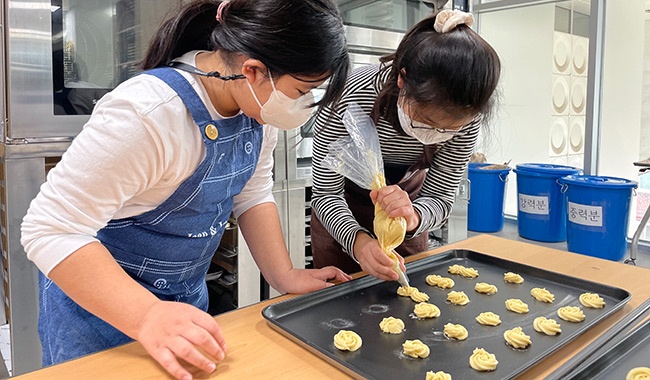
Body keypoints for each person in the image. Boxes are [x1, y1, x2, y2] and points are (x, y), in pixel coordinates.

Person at [21, 1, 350, 379]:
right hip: (100, 313)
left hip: (181, 304)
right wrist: (145, 315)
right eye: (302, 90)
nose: (304, 104)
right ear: (253, 71)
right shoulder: (148, 113)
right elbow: (50, 229)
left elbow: (253, 193)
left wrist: (284, 274)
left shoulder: (255, 108)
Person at [310, 10, 501, 282]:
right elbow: (326, 193)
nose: (437, 133)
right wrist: (358, 242)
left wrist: (413, 218)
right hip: (345, 204)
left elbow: (441, 198)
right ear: (402, 79)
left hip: (408, 202)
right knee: (338, 303)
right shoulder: (354, 94)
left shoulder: (468, 117)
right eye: (426, 120)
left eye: (448, 130)